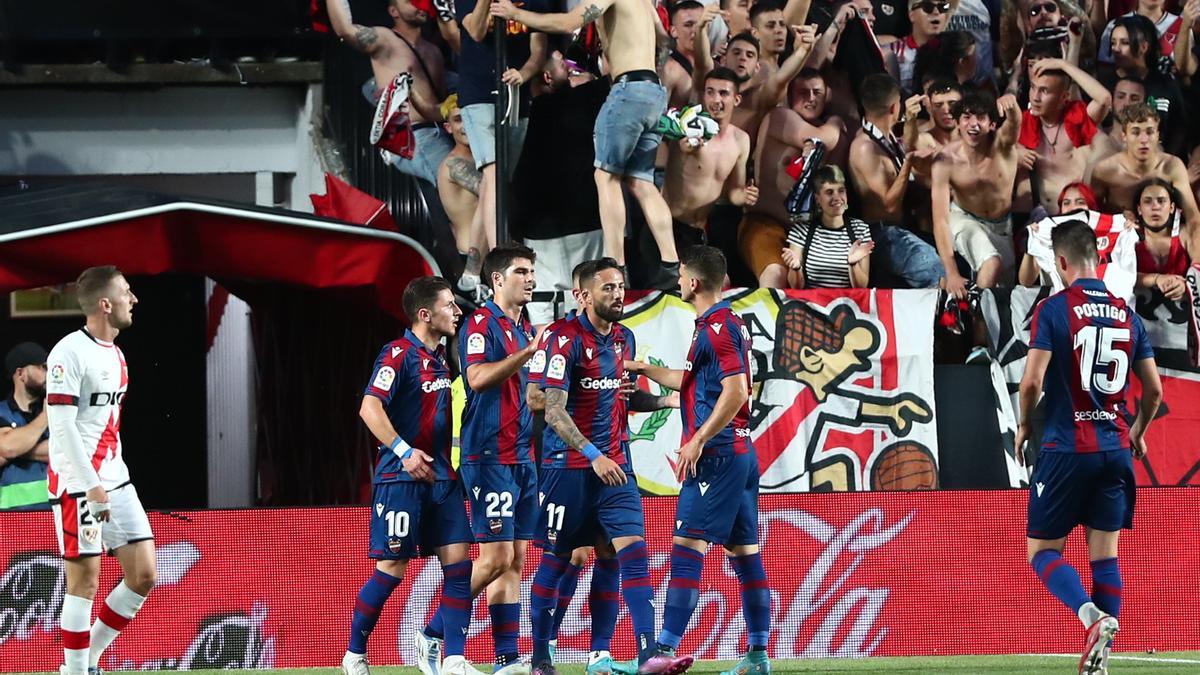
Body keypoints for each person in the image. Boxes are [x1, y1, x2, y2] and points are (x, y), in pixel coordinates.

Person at [1015, 220, 1163, 675]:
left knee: (1042, 552)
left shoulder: (1054, 309)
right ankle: (1100, 662)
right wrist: (1137, 432)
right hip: (1116, 449)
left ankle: (1090, 617)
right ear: (1097, 259)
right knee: (1106, 556)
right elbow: (1154, 392)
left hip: (1065, 447)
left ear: (1060, 262)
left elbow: (1033, 381)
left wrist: (1023, 424)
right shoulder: (1125, 312)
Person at [530, 259, 687, 675]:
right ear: (583, 295)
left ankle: (642, 654)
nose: (618, 294)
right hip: (567, 469)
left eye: (620, 286)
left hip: (616, 466)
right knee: (558, 560)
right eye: (607, 288)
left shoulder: (625, 340)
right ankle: (540, 657)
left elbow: (622, 398)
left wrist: (663, 402)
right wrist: (591, 454)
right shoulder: (562, 340)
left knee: (626, 555)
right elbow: (553, 411)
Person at [625, 245, 769, 675]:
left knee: (687, 548)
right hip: (740, 452)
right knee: (745, 554)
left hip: (718, 456)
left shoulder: (718, 326)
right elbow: (689, 382)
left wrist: (699, 440)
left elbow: (738, 390)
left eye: (682, 275)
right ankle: (758, 657)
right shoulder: (717, 324)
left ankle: (662, 652)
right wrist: (638, 367)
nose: (679, 281)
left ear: (693, 281)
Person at [489, 0, 681, 287]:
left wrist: (515, 14)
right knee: (641, 182)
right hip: (653, 90)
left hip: (626, 89)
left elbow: (569, 22)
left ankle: (616, 266)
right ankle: (671, 265)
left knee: (605, 177)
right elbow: (664, 40)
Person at [345, 277, 481, 675]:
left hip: (443, 480)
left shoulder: (442, 358)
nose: (457, 311)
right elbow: (369, 408)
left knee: (459, 566)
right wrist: (403, 452)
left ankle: (453, 657)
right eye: (449, 305)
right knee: (393, 569)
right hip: (401, 480)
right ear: (425, 314)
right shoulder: (398, 354)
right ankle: (354, 653)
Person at [434, 244, 543, 673]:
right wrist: (527, 355)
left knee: (515, 559)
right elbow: (476, 378)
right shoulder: (481, 323)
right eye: (521, 271)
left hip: (521, 456)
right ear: (497, 279)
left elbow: (524, 392)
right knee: (495, 558)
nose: (530, 278)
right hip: (488, 454)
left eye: (532, 270)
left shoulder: (523, 327)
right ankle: (436, 635)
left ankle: (507, 659)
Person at [46, 266, 155, 675]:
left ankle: (88, 658)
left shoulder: (117, 354)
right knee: (85, 581)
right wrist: (90, 486)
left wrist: (107, 482)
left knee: (143, 574)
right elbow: (62, 425)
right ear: (105, 304)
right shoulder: (68, 352)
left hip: (116, 478)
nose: (134, 299)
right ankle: (75, 671)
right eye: (127, 292)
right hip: (79, 482)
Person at [327, 0, 452, 186]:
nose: (420, 4)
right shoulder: (386, 40)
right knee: (456, 180)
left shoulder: (433, 50)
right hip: (413, 135)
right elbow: (345, 29)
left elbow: (440, 105)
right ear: (394, 11)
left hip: (437, 132)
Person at [741, 69, 846, 288]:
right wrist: (837, 121)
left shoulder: (826, 130)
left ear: (826, 95)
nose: (810, 98)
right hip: (765, 222)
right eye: (802, 92)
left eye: (816, 92)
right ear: (789, 96)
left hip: (807, 232)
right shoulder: (780, 117)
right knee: (775, 274)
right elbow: (821, 139)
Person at [847, 73, 943, 288]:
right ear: (893, 107)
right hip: (881, 234)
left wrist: (910, 121)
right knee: (934, 269)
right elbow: (888, 206)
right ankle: (941, 321)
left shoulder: (888, 136)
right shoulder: (864, 147)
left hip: (903, 229)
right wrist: (908, 163)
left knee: (957, 262)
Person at [932, 90, 1023, 296]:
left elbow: (1014, 124)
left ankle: (973, 317)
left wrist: (1012, 106)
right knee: (992, 262)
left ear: (992, 124)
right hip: (964, 219)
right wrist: (952, 273)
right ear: (957, 123)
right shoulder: (945, 161)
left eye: (981, 118)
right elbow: (940, 220)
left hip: (1003, 226)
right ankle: (971, 317)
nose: (973, 124)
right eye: (966, 117)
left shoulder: (1003, 147)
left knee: (1002, 293)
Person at [662, 67, 758, 245]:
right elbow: (675, 139)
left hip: (699, 231)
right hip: (666, 226)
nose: (716, 100)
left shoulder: (741, 140)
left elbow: (733, 192)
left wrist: (744, 196)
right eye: (710, 92)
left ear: (736, 99)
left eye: (723, 93)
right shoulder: (687, 125)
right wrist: (683, 146)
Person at [1088, 103, 1200, 245]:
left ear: (1158, 135)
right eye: (1135, 132)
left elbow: (1193, 218)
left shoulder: (1172, 166)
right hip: (1119, 242)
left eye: (1149, 132)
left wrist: (1196, 263)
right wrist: (1117, 220)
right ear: (1124, 136)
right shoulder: (1104, 171)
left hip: (1164, 243)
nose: (1143, 140)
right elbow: (1092, 217)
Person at [1019, 57, 1112, 213]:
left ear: (1064, 97)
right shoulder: (1024, 121)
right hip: (1042, 216)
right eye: (1033, 88)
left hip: (1079, 214)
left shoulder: (1075, 118)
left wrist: (1064, 65)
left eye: (1044, 91)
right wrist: (1012, 154)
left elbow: (1104, 99)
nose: (1035, 97)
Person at [783, 166, 875, 288]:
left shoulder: (860, 229)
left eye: (841, 190)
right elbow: (796, 287)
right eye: (829, 192)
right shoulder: (801, 231)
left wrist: (853, 265)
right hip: (811, 304)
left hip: (846, 304)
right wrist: (795, 268)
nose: (837, 198)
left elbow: (862, 287)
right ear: (817, 199)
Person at [436, 94, 483, 277]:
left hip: (488, 256)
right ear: (448, 127)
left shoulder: (479, 159)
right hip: (473, 261)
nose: (466, 125)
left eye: (469, 118)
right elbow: (496, 193)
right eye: (458, 120)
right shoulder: (453, 164)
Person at [0, 342, 50, 511]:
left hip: (56, 515)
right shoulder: (1, 412)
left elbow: (62, 451)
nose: (49, 373)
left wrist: (16, 449)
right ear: (20, 373)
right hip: (9, 520)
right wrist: (45, 416)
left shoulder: (61, 411)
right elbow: (7, 447)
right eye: (43, 367)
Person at [1131, 178, 1192, 300]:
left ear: (1172, 208)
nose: (1155, 207)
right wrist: (1156, 279)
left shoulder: (1186, 234)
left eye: (1161, 201)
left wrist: (1186, 286)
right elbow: (1118, 275)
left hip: (1186, 313)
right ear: (1139, 209)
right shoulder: (1129, 236)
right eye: (1148, 201)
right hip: (1137, 315)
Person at [663, 0, 707, 108]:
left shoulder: (714, 65)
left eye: (701, 24)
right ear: (674, 31)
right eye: (688, 25)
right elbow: (657, 120)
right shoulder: (669, 71)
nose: (695, 31)